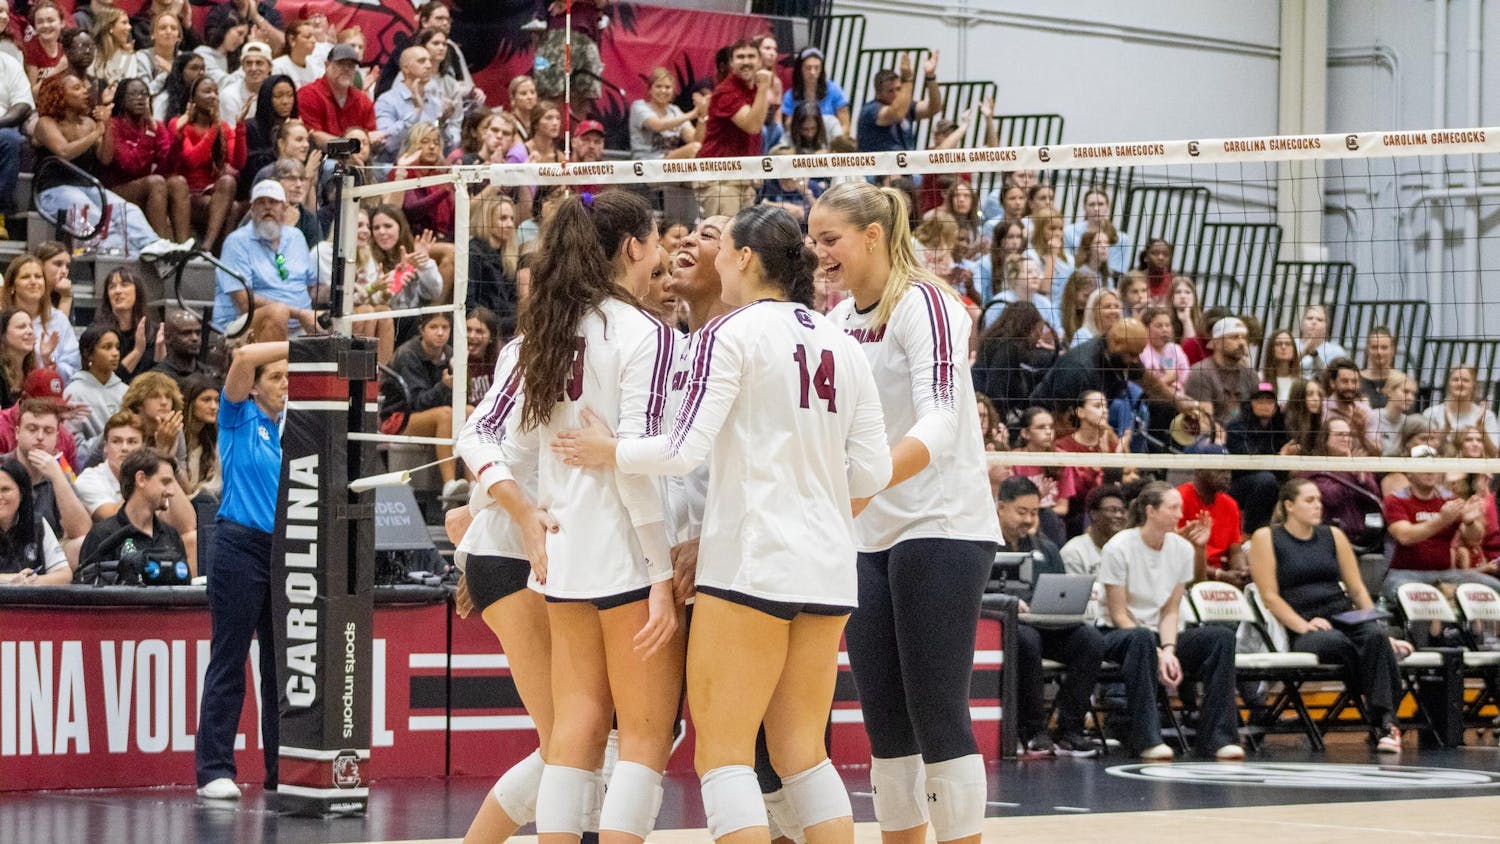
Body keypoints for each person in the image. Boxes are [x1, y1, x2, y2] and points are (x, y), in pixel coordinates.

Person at [554, 203, 892, 844]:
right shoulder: (840, 343)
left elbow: (681, 450)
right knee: (803, 754)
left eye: (721, 248)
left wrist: (610, 452)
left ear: (742, 259)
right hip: (828, 568)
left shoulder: (730, 334)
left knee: (724, 755)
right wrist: (813, 501)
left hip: (751, 564)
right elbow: (873, 472)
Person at [475, 190, 682, 843]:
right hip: (623, 553)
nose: (661, 252)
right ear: (631, 248)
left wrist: (527, 513)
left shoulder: (549, 334)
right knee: (646, 736)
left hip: (562, 556)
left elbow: (481, 440)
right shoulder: (643, 334)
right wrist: (658, 573)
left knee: (576, 729)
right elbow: (636, 470)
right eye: (654, 240)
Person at [810, 181, 997, 844]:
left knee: (936, 707)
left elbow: (943, 417)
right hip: (866, 531)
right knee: (884, 718)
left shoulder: (927, 305)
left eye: (829, 239)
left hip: (942, 524)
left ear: (873, 236)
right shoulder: (836, 325)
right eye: (813, 240)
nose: (819, 252)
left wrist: (867, 481)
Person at [1249, 478, 1411, 753]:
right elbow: (1269, 596)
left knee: (1374, 637)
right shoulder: (1266, 537)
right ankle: (1382, 711)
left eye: (1319, 501)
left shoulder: (1333, 536)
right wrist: (1304, 625)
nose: (1317, 506)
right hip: (1304, 623)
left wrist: (1379, 627)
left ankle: (1385, 722)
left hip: (1343, 615)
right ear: (1289, 505)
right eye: (1309, 500)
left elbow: (1357, 589)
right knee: (1338, 643)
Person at [194, 339, 288, 801]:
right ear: (255, 389)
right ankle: (214, 769)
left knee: (280, 668)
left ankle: (279, 771)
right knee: (229, 660)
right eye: (277, 377)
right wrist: (310, 346)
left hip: (286, 552)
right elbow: (244, 357)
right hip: (239, 547)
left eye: (291, 376)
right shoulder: (238, 415)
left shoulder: (298, 428)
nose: (286, 384)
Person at [1098, 481, 1242, 760]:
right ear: (1151, 511)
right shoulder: (1119, 547)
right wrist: (1157, 651)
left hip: (1160, 635)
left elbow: (1171, 610)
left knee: (1221, 637)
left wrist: (1169, 649)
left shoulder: (1182, 549)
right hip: (1119, 634)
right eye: (1173, 507)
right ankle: (1148, 739)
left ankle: (1219, 737)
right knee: (1140, 638)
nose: (1180, 514)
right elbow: (1118, 614)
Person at [995, 476, 1105, 757]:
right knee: (1028, 641)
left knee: (1090, 641)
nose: (1029, 519)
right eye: (1022, 512)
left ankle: (1070, 730)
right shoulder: (986, 548)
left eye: (1034, 512)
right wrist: (1009, 602)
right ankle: (1034, 731)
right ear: (1000, 507)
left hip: (1047, 623)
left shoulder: (1047, 548)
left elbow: (1059, 590)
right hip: (1005, 628)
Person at [31, 72, 184, 258]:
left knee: (127, 210)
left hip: (87, 186)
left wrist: (106, 126)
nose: (85, 92)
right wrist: (96, 134)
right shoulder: (45, 123)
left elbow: (105, 157)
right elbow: (63, 152)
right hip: (54, 189)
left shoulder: (88, 123)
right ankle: (124, 258)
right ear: (60, 94)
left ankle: (153, 245)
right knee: (94, 213)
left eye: (83, 87)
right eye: (77, 88)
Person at [1381, 444, 1498, 604]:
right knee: (1420, 599)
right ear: (1408, 472)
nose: (1430, 471)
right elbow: (1405, 536)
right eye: (1423, 466)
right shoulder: (1395, 500)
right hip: (1404, 574)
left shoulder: (1448, 499)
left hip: (1445, 574)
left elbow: (1474, 538)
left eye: (1434, 466)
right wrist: (1442, 520)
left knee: (1495, 588)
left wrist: (1470, 522)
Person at [213, 180, 319, 338]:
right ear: (252, 210)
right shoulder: (236, 242)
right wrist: (299, 313)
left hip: (301, 325)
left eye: (273, 202)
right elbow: (244, 303)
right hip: (244, 324)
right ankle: (274, 363)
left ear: (285, 208)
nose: (267, 207)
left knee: (358, 313)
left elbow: (312, 287)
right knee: (277, 312)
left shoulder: (296, 237)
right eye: (261, 203)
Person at [378, 311, 465, 499]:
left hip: (433, 413)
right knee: (446, 415)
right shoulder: (407, 354)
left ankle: (474, 483)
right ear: (422, 330)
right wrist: (444, 386)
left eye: (445, 327)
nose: (440, 333)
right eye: (434, 327)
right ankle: (449, 485)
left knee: (471, 412)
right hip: (399, 417)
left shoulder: (450, 354)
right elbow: (417, 403)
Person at [100, 75, 192, 243]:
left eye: (144, 94)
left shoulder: (153, 125)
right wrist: (148, 134)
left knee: (178, 182)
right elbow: (129, 164)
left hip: (145, 186)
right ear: (121, 99)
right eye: (133, 94)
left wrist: (177, 137)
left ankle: (184, 246)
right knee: (156, 182)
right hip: (115, 189)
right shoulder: (114, 125)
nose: (140, 99)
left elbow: (168, 166)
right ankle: (160, 244)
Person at [77, 445, 188, 575]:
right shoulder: (103, 536)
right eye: (165, 482)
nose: (171, 491)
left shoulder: (171, 535)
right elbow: (86, 588)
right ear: (141, 479)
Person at [696, 39, 774, 217]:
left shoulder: (753, 89)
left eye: (751, 56)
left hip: (742, 176)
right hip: (718, 178)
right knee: (722, 235)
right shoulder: (727, 91)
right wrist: (763, 87)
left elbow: (754, 136)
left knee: (743, 238)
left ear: (760, 61)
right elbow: (753, 126)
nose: (746, 61)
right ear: (731, 63)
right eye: (740, 57)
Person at [6, 398, 91, 550]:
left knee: (81, 544)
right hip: (5, 549)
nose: (40, 436)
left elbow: (82, 530)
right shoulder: (2, 467)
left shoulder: (58, 473)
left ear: (57, 437)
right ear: (17, 433)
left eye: (48, 431)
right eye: (32, 429)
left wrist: (57, 477)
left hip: (46, 554)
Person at [1175, 442, 1249, 584]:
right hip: (1187, 575)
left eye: (1228, 470)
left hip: (1222, 573)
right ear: (1200, 470)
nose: (1227, 476)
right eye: (1220, 470)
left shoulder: (1230, 504)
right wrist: (1219, 574)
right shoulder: (1179, 499)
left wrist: (1241, 570)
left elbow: (1235, 551)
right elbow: (1176, 557)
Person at [971, 300, 1055, 421]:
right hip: (989, 413)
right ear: (1029, 327)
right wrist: (1000, 422)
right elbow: (995, 388)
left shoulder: (997, 341)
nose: (1039, 335)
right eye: (1039, 329)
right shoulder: (1008, 348)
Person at [374, 44, 458, 160]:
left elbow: (447, 149)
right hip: (396, 169)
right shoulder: (387, 100)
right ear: (406, 68)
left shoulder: (434, 100)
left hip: (429, 169)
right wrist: (416, 112)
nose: (429, 65)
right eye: (421, 61)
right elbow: (387, 144)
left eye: (429, 60)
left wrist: (443, 123)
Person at [3, 254, 78, 380]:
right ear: (12, 287)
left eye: (38, 277)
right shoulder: (2, 319)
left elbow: (74, 370)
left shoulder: (59, 320)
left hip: (50, 394)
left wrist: (49, 361)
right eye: (25, 277)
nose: (33, 282)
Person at [0, 458, 70, 584]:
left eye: (5, 490)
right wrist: (11, 580)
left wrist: (34, 581)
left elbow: (64, 574)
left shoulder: (37, 523)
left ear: (21, 493)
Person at [856, 50, 942, 153]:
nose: (896, 94)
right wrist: (908, 79)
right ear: (878, 93)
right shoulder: (870, 110)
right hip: (880, 167)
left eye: (898, 89)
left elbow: (935, 107)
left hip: (906, 166)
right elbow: (896, 113)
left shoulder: (905, 107)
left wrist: (930, 77)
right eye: (890, 91)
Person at [64, 326, 126, 468]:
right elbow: (74, 448)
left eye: (117, 347)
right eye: (107, 347)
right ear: (88, 354)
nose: (115, 353)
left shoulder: (126, 391)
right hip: (90, 468)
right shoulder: (74, 392)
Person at [297, 44, 379, 150]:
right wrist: (349, 147)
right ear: (327, 65)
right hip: (319, 160)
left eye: (351, 65)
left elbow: (371, 136)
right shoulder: (308, 95)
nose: (346, 69)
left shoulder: (363, 100)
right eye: (341, 64)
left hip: (358, 161)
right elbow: (314, 136)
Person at [1184, 316, 1257, 428]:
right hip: (1211, 438)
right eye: (1234, 338)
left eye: (1244, 338)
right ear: (1217, 343)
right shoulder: (1201, 372)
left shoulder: (1250, 374)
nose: (1242, 342)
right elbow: (1204, 421)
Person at [0, 21, 32, 241]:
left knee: (11, 140)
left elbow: (22, 105)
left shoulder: (9, 64)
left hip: (0, 127)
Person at [629, 66, 702, 160]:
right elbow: (657, 125)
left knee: (698, 148)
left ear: (673, 91)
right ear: (650, 90)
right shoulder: (639, 106)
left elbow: (694, 139)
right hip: (645, 165)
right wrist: (692, 114)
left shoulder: (675, 111)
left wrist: (702, 116)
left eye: (667, 87)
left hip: (668, 165)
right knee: (694, 149)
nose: (663, 91)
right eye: (658, 86)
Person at [1422, 364, 1500, 451]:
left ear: (1474, 385)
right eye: (1455, 380)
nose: (1460, 383)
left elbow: (1495, 453)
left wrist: (1481, 428)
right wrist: (1446, 429)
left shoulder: (1487, 416)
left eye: (1465, 380)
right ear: (1448, 384)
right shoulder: (1431, 413)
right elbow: (1424, 449)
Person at [781, 46, 850, 140]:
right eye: (808, 68)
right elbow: (788, 128)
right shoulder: (790, 96)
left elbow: (845, 126)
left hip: (830, 142)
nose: (812, 72)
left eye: (816, 68)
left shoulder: (835, 90)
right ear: (800, 69)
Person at [1060, 484, 1127, 576]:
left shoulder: (1126, 550)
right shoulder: (1074, 552)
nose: (1119, 515)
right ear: (1094, 514)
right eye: (1112, 510)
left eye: (1122, 511)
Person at [1063, 187, 1133, 275]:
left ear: (1108, 206)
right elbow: (1065, 265)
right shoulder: (1069, 232)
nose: (1096, 208)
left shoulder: (1121, 239)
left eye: (1100, 204)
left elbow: (1117, 272)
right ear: (1084, 207)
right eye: (1092, 204)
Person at [1321, 357, 1380, 454]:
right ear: (1332, 383)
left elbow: (1378, 452)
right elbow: (1315, 447)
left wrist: (1361, 433)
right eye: (1344, 381)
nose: (1350, 386)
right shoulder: (1321, 410)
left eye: (1354, 381)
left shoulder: (1365, 411)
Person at [179, 375, 221, 502]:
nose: (214, 406)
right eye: (206, 400)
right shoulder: (175, 435)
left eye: (217, 400)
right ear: (189, 402)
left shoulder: (214, 441)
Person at [216, 39, 270, 125]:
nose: (253, 68)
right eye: (248, 63)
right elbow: (231, 134)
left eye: (259, 63)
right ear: (243, 67)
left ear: (270, 67)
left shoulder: (277, 91)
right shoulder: (229, 95)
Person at [0, 308, 40, 410]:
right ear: (2, 335)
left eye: (31, 327)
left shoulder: (33, 373)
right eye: (21, 327)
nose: (30, 331)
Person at [1375, 371, 1419, 455]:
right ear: (1390, 391)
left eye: (1413, 394)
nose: (1410, 398)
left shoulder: (1410, 423)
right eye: (1405, 392)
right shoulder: (1373, 417)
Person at [1359, 326, 1397, 408]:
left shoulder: (1401, 381)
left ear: (1393, 350)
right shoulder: (1355, 380)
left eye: (1384, 347)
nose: (1379, 352)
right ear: (1367, 350)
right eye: (1374, 347)